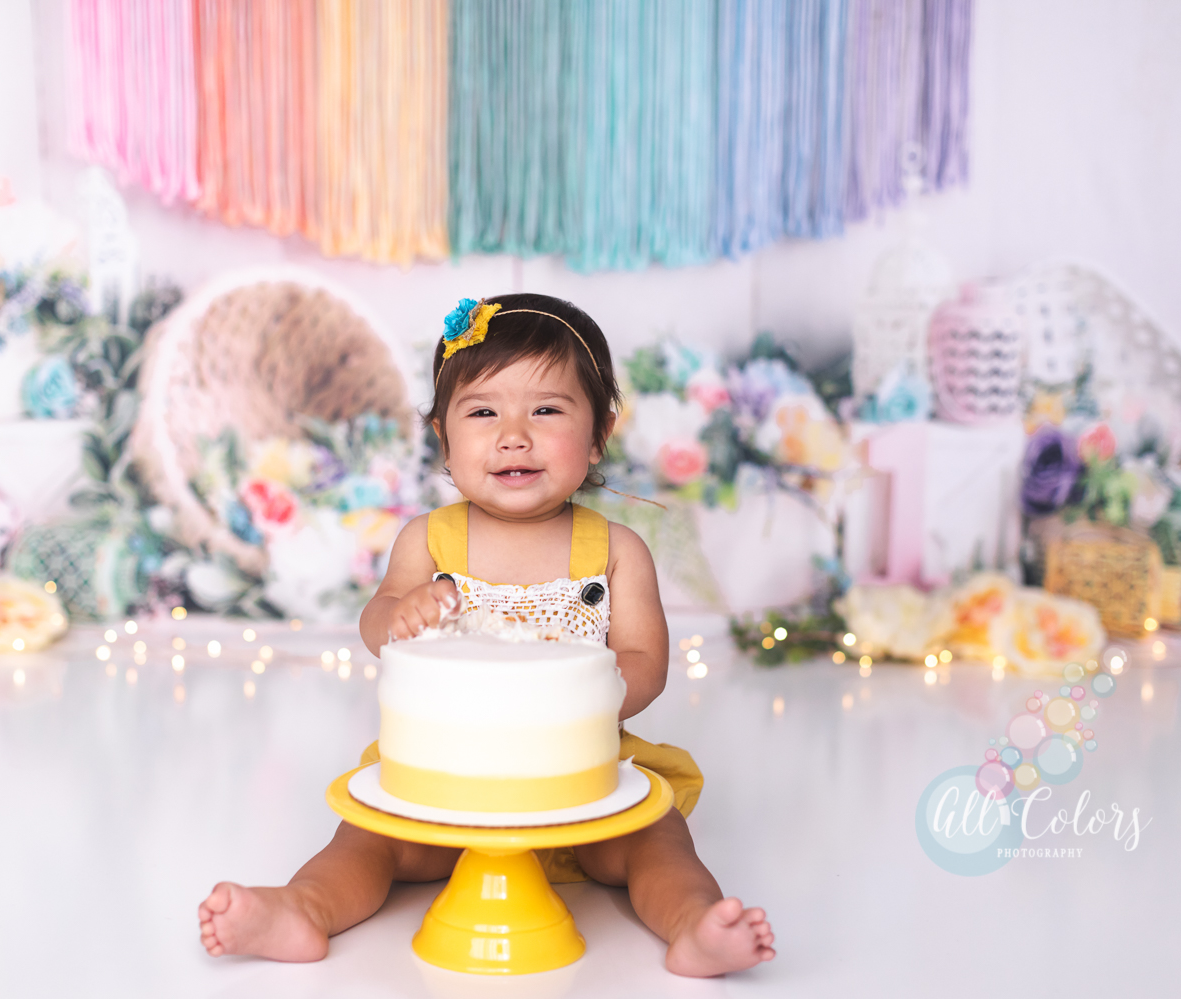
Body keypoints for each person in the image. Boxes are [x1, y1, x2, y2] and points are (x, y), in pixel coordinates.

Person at [198, 293, 775, 976]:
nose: (514, 435)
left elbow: (646, 662)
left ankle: (691, 925)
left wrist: (580, 698)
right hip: (449, 785)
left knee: (658, 839)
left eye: (547, 410)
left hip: (582, 783)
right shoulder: (430, 540)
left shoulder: (616, 551)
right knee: (368, 840)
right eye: (483, 412)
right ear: (443, 435)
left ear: (599, 434)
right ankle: (302, 908)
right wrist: (401, 613)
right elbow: (376, 620)